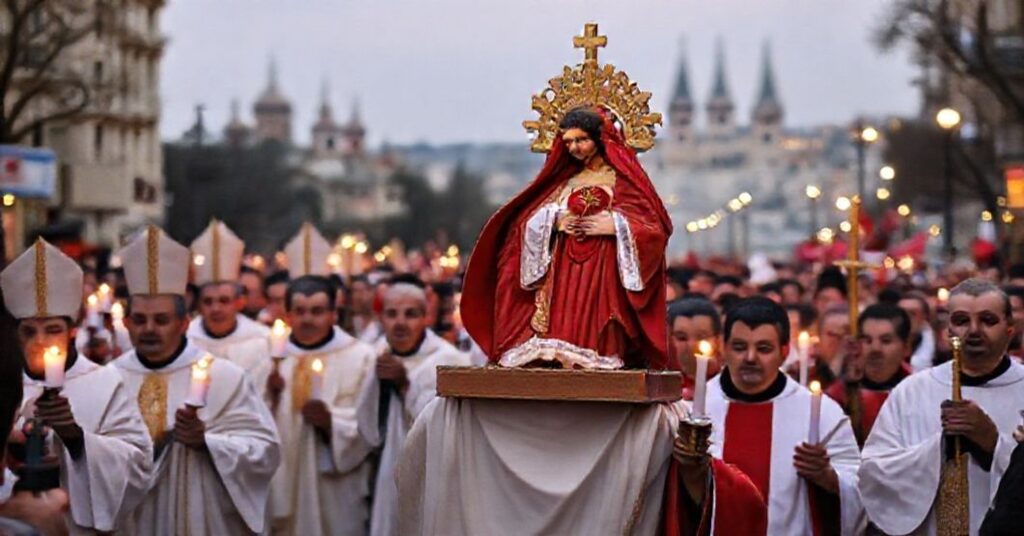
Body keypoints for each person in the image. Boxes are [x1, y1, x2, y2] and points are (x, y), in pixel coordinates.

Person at [461, 106, 674, 370]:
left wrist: (615, 225)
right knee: (563, 317)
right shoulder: (565, 180)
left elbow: (654, 228)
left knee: (597, 322)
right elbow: (525, 223)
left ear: (599, 138)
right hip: (563, 266)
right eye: (569, 142)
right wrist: (555, 220)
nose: (574, 148)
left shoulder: (623, 180)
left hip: (603, 268)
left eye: (581, 140)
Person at [111, 226, 281, 535]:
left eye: (161, 320)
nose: (149, 329)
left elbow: (264, 451)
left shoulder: (226, 378)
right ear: (126, 323)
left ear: (184, 323)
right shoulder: (108, 380)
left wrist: (208, 442)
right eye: (140, 320)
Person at [0, 239, 152, 535]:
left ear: (72, 332)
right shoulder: (6, 383)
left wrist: (76, 438)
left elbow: (139, 466)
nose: (41, 341)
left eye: (53, 330)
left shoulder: (105, 382)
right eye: (29, 331)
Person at [860, 278, 1024, 535]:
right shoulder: (912, 391)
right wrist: (939, 448)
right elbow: (875, 473)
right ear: (948, 330)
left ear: (1010, 329)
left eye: (988, 320)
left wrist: (992, 443)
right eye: (961, 321)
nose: (973, 330)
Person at [701, 297, 864, 534]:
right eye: (739, 347)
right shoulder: (695, 407)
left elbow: (858, 488)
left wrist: (827, 476)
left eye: (763, 349)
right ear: (723, 347)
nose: (750, 357)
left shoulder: (821, 413)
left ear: (785, 351)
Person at [265, 275, 377, 535]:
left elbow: (369, 425)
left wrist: (331, 423)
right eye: (300, 311)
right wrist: (270, 397)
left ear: (333, 314)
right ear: (288, 315)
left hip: (335, 487)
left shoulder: (361, 357)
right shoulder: (268, 358)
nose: (307, 320)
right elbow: (252, 423)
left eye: (317, 311)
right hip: (281, 479)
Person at [358, 281, 469, 536]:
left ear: (425, 317)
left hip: (429, 477)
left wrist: (404, 386)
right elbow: (366, 427)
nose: (400, 323)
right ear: (381, 318)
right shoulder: (374, 355)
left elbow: (448, 427)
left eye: (410, 314)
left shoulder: (449, 361)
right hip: (384, 477)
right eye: (392, 314)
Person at [187, 220, 272, 377]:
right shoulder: (185, 340)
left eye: (224, 301)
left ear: (240, 302)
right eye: (208, 301)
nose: (216, 309)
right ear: (198, 305)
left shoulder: (263, 339)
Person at [825, 304, 913, 446]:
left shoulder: (919, 391)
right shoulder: (838, 396)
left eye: (886, 341)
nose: (875, 349)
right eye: (867, 340)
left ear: (906, 347)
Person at [667, 297, 722, 400]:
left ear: (718, 341)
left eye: (701, 337)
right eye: (682, 338)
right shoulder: (661, 384)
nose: (691, 345)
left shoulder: (729, 382)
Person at [899, 290, 937, 371]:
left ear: (924, 316)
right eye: (901, 313)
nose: (906, 318)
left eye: (912, 313)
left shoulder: (939, 349)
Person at [349, 275, 382, 344]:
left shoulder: (381, 324)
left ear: (372, 293)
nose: (355, 296)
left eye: (360, 291)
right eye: (353, 292)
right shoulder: (348, 323)